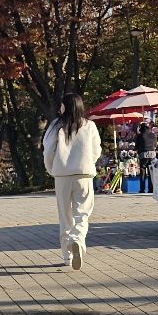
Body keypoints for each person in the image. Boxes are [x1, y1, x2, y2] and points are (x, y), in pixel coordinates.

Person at [42, 92, 100, 269]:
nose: (59, 108)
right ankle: (77, 240)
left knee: (65, 216)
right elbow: (96, 150)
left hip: (62, 177)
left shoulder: (55, 126)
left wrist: (52, 169)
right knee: (82, 213)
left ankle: (67, 257)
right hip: (83, 175)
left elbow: (47, 150)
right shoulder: (89, 126)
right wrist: (88, 163)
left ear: (65, 106)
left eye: (61, 105)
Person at [135, 122, 157, 193]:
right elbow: (155, 145)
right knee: (151, 172)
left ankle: (142, 189)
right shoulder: (153, 135)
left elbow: (136, 146)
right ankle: (151, 189)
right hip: (153, 154)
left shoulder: (140, 136)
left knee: (143, 171)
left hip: (143, 154)